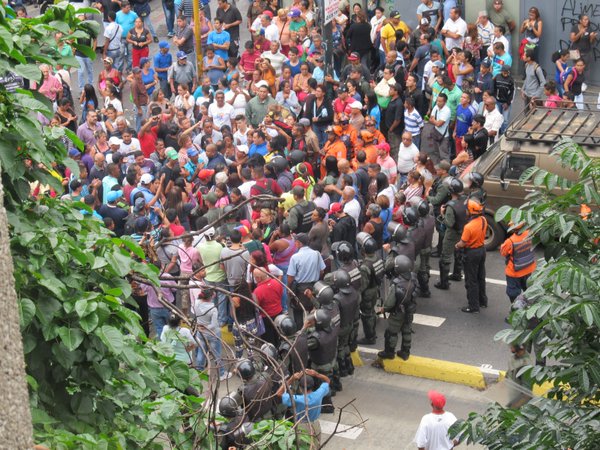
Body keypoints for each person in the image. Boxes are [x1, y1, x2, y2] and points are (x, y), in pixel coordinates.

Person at [378, 255, 416, 360]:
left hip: (397, 312)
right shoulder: (413, 278)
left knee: (391, 333)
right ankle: (405, 352)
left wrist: (382, 309)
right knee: (407, 330)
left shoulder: (396, 284)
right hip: (409, 310)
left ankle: (389, 352)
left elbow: (389, 303)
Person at [456, 198, 488, 313]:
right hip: (481, 250)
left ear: (470, 211)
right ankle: (483, 301)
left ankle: (473, 306)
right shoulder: (484, 219)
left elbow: (463, 243)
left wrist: (457, 246)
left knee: (471, 280)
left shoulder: (468, 227)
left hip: (471, 253)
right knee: (480, 276)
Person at [287, 233, 325, 329]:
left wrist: (289, 288)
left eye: (295, 242)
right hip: (315, 287)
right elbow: (322, 271)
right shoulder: (316, 254)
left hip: (300, 289)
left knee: (298, 311)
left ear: (299, 243)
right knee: (314, 310)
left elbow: (290, 277)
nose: (294, 243)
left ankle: (301, 334)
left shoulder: (295, 257)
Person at [500, 222, 536, 304]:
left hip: (514, 273)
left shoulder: (510, 241)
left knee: (513, 294)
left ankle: (517, 312)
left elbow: (503, 253)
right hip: (528, 269)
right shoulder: (530, 234)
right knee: (528, 292)